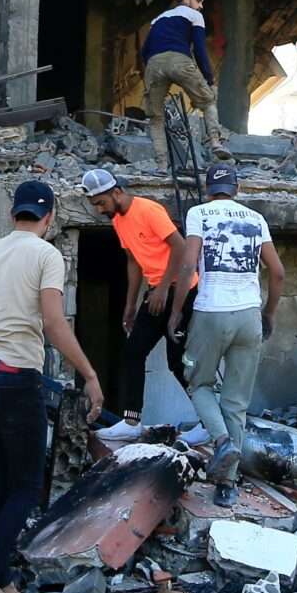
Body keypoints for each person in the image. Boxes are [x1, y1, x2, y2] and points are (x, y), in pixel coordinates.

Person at [0, 180, 103, 593]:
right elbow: (54, 323)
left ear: (13, 214)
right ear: (49, 216)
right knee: (26, 487)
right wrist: (89, 374)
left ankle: (2, 579)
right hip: (18, 379)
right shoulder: (47, 255)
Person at [171, 165, 284, 505]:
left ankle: (222, 442)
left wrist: (177, 310)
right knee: (236, 403)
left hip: (211, 312)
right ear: (237, 187)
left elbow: (189, 265)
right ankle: (227, 487)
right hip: (249, 315)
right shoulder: (256, 219)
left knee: (199, 384)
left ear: (208, 189)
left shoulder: (199, 214)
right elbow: (277, 273)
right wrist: (269, 313)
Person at [78, 168, 198, 444]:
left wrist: (165, 289)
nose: (99, 210)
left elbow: (180, 247)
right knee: (132, 352)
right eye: (95, 204)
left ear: (116, 192)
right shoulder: (119, 221)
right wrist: (130, 304)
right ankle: (132, 421)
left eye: (101, 202)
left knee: (176, 362)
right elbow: (133, 262)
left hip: (182, 291)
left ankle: (209, 421)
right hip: (156, 290)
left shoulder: (148, 210)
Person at [141, 0, 223, 170]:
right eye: (198, 0)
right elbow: (201, 50)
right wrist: (209, 80)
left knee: (156, 118)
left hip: (154, 65)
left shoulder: (158, 19)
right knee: (208, 101)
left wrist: (152, 71)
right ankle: (215, 142)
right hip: (180, 60)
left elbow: (144, 51)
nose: (201, 6)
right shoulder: (194, 15)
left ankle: (161, 165)